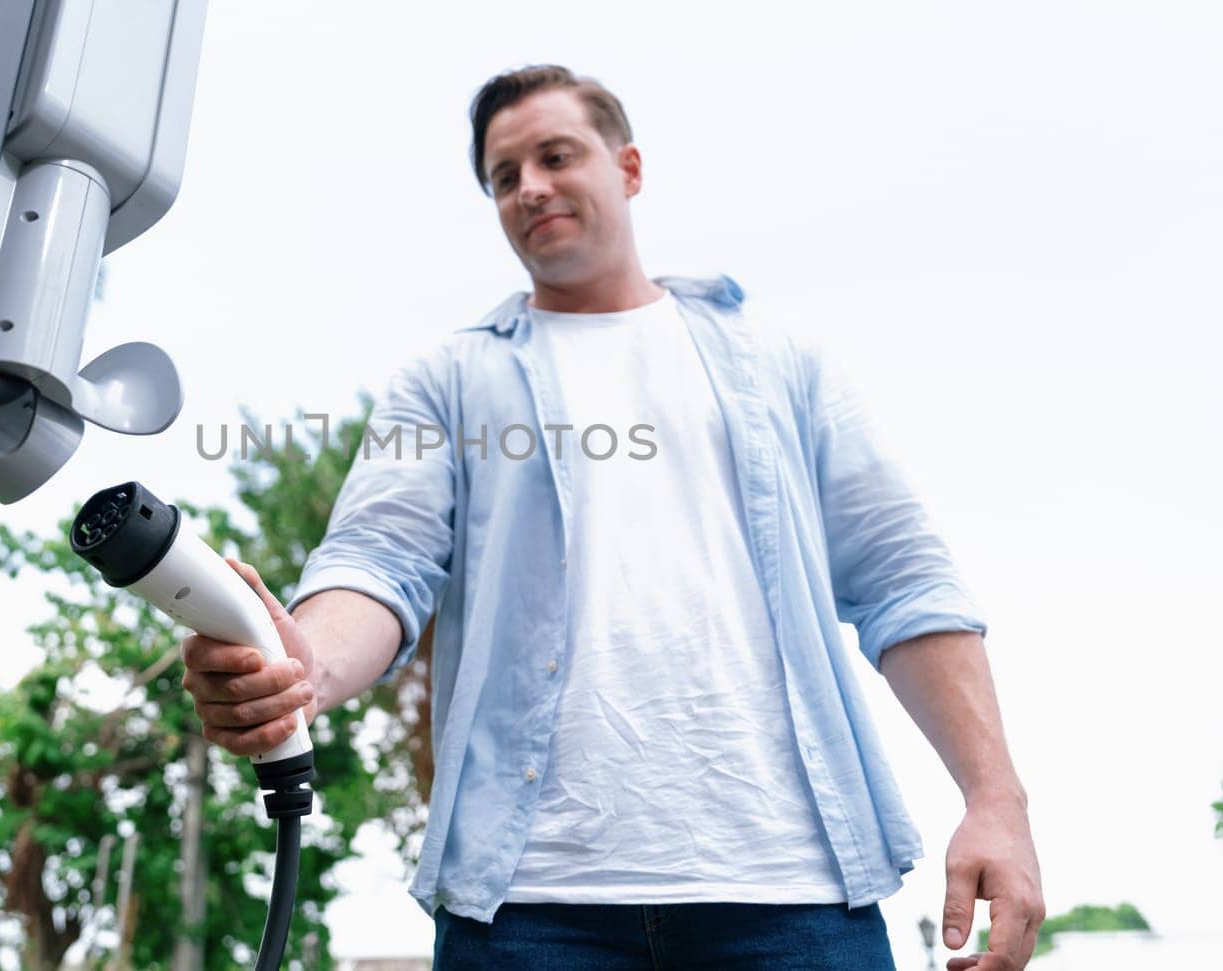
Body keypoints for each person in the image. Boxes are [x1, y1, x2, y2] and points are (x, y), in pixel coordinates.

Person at [180, 65, 1043, 970]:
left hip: (795, 895)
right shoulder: (446, 381)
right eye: (504, 177)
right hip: (528, 911)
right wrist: (303, 666)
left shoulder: (780, 363)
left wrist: (996, 799)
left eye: (555, 156)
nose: (530, 188)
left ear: (628, 167)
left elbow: (903, 577)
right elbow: (377, 560)